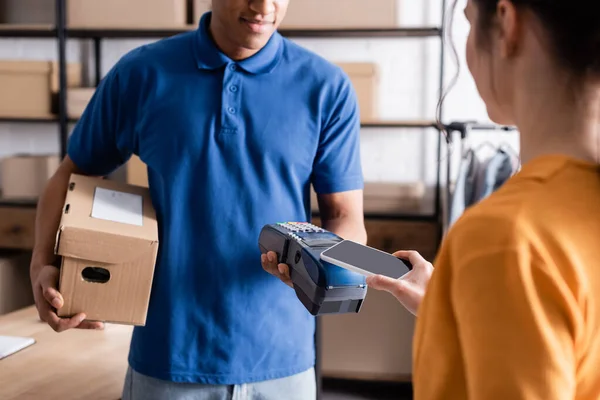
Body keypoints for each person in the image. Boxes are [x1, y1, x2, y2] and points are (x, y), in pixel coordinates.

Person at [29, 1, 367, 399]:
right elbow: (73, 173)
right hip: (167, 358)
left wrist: (329, 269)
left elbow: (345, 216)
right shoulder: (142, 73)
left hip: (283, 364)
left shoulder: (326, 87)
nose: (264, 6)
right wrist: (42, 265)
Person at [366, 0, 600, 398]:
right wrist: (458, 309)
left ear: (507, 24)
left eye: (469, 22)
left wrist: (492, 272)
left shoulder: (507, 236)